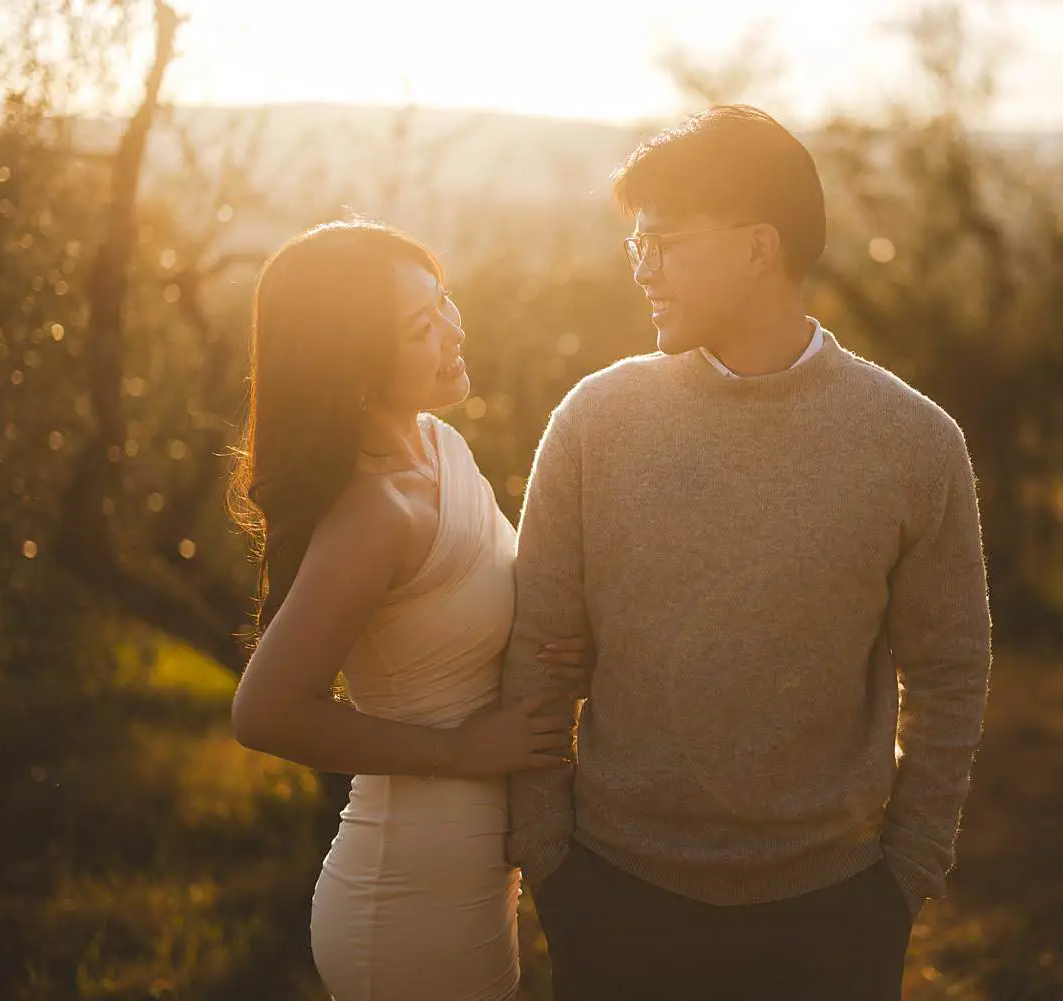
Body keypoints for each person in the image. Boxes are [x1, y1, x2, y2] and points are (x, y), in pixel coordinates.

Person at [503, 105, 993, 1001]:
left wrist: (905, 878)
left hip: (833, 918)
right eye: (635, 244)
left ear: (759, 248)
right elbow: (537, 652)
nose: (642, 268)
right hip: (615, 902)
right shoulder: (592, 423)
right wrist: (551, 868)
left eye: (666, 241)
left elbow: (951, 668)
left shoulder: (915, 442)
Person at [227, 220, 589, 1001]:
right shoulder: (376, 513)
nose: (454, 331)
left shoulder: (439, 445)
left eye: (445, 303)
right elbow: (264, 713)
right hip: (408, 896)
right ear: (355, 364)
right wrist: (462, 750)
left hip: (470, 875)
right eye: (421, 327)